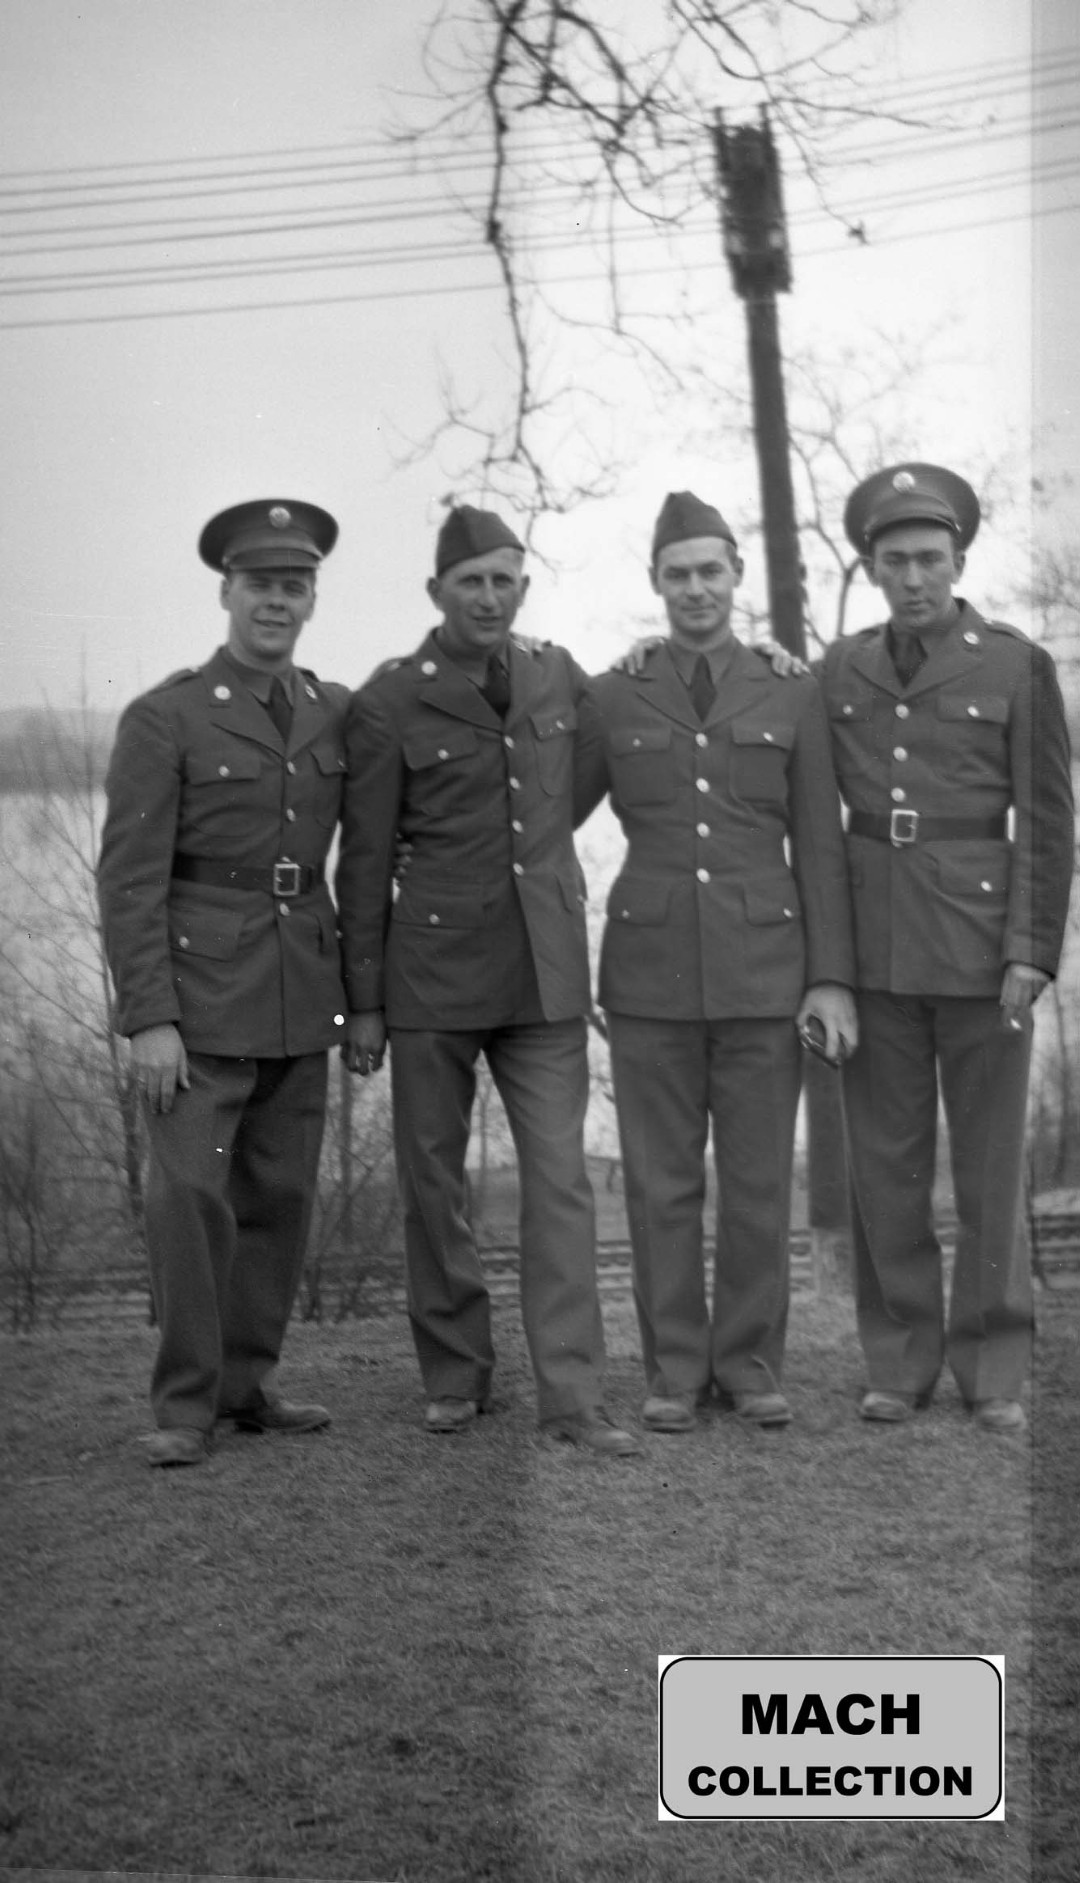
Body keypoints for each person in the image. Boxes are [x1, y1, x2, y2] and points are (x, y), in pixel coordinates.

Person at [335, 504, 639, 1455]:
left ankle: (573, 1396)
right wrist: (365, 1002)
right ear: (436, 592)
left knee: (560, 1181)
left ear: (524, 587)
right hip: (431, 975)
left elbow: (579, 782)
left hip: (544, 972)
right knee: (433, 1181)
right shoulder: (388, 700)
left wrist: (535, 850)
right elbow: (365, 858)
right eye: (471, 581)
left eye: (505, 579)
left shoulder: (558, 674)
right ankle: (455, 1373)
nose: (489, 596)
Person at [574, 491, 858, 1433]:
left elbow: (820, 841)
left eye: (710, 571)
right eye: (677, 574)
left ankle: (749, 1364)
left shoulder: (790, 688)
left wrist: (828, 977)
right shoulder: (614, 693)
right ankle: (674, 1370)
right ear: (655, 583)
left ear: (736, 575)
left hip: (764, 972)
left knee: (758, 1183)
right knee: (660, 1186)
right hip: (648, 975)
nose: (695, 588)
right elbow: (550, 816)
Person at [819, 462, 1075, 1433]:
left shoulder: (1014, 665)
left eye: (930, 557)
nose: (914, 576)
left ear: (959, 561)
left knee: (991, 1172)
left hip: (981, 950)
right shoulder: (840, 669)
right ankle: (899, 1361)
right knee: (885, 1173)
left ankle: (993, 1366)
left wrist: (1031, 950)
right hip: (875, 952)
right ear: (873, 568)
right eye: (896, 561)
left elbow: (1047, 817)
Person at [97, 499, 347, 1466]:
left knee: (279, 1196)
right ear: (226, 593)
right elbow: (130, 877)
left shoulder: (333, 711)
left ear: (312, 599)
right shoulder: (166, 716)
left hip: (298, 989)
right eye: (259, 586)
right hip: (196, 1003)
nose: (276, 603)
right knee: (190, 1201)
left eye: (293, 587)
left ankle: (247, 1387)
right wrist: (148, 1017)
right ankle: (185, 1406)